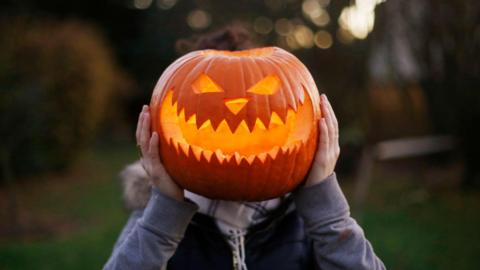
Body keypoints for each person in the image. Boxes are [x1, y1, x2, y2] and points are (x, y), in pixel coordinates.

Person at [104, 26, 385, 270]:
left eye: (263, 88)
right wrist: (165, 210)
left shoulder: (307, 221)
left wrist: (325, 207)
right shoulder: (155, 220)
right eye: (205, 88)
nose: (235, 104)